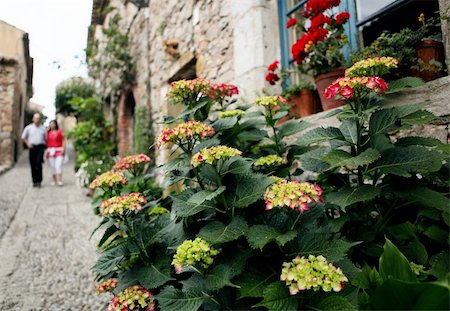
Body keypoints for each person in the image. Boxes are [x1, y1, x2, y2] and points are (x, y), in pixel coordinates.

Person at [21, 113, 47, 187]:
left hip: (40, 147)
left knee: (39, 163)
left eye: (38, 118)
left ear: (40, 120)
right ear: (33, 119)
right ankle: (34, 181)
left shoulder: (43, 128)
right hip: (32, 147)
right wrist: (27, 144)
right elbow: (23, 137)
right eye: (35, 118)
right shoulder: (28, 128)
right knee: (33, 164)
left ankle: (39, 180)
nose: (37, 120)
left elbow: (46, 138)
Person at [46, 120, 65, 186]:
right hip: (51, 151)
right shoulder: (47, 133)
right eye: (50, 124)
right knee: (52, 166)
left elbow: (63, 140)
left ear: (55, 124)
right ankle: (54, 180)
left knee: (58, 165)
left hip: (59, 150)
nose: (52, 125)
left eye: (53, 124)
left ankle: (59, 180)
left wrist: (63, 150)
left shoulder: (59, 132)